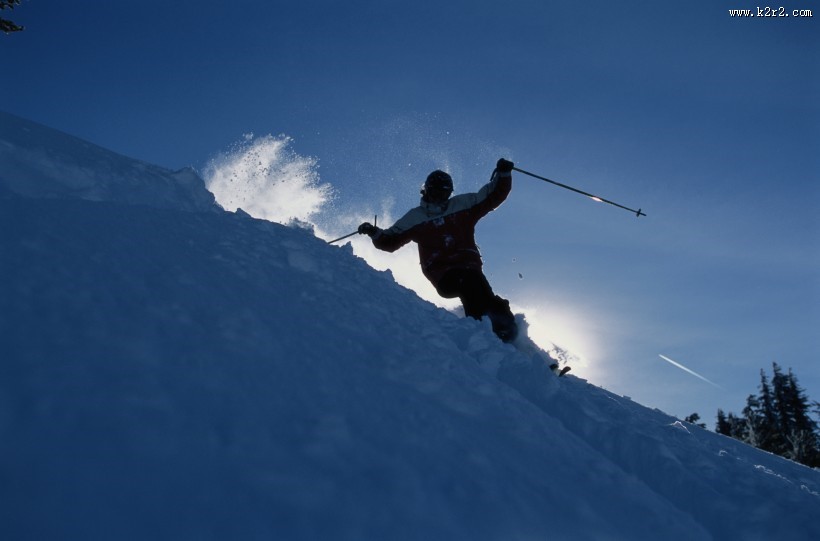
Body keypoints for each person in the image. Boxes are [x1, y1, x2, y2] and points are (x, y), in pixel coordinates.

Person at [358, 158, 518, 342]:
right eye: (433, 192)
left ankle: (510, 336)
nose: (438, 198)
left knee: (484, 294)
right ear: (425, 190)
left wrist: (504, 174)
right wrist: (374, 232)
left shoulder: (463, 206)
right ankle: (485, 332)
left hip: (470, 268)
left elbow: (493, 195)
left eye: (443, 194)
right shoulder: (415, 218)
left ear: (449, 193)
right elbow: (390, 242)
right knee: (470, 284)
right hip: (443, 274)